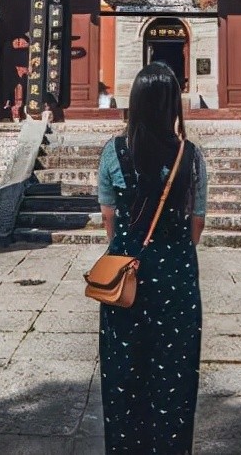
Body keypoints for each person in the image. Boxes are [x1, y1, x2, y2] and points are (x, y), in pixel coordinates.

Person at [96, 62, 207, 454]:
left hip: (126, 275)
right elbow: (196, 223)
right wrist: (170, 251)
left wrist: (129, 246)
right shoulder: (190, 156)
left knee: (124, 373)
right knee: (173, 377)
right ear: (172, 105)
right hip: (176, 276)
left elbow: (109, 217)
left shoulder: (113, 151)